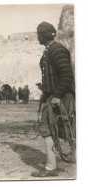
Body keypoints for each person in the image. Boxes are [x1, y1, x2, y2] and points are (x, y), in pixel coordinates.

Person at [31, 22, 75, 177]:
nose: (37, 37)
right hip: (51, 96)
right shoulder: (48, 51)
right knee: (47, 129)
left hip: (61, 97)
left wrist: (56, 96)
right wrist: (44, 99)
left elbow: (66, 75)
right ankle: (51, 166)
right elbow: (49, 80)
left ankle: (53, 167)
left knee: (67, 131)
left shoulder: (57, 50)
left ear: (43, 35)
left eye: (38, 34)